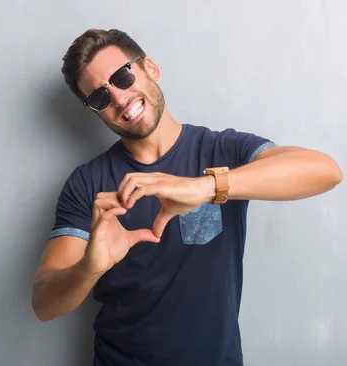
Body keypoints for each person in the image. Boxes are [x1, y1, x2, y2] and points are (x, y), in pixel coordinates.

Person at [31, 28, 343, 366]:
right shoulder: (88, 183)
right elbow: (44, 305)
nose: (119, 99)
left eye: (122, 77)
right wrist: (88, 269)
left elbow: (325, 171)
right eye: (100, 98)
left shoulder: (223, 150)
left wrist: (206, 186)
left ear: (150, 67)